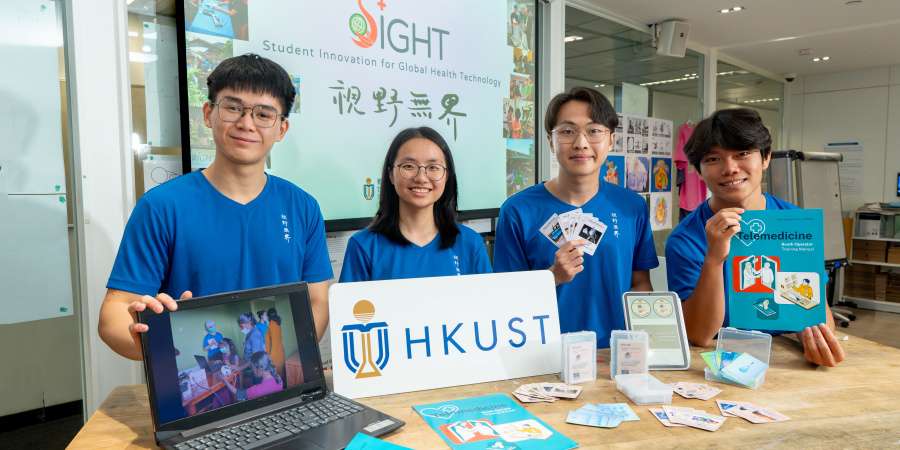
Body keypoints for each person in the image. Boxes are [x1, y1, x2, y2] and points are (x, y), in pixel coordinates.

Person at [98, 54, 333, 361]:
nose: (246, 124)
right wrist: (148, 342)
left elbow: (316, 303)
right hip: (200, 380)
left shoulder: (303, 207)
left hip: (278, 381)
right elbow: (113, 315)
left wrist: (282, 364)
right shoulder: (161, 206)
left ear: (281, 129)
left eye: (263, 114)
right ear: (208, 113)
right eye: (233, 108)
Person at [664, 107, 845, 367]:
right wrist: (714, 257)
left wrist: (817, 343)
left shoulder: (796, 223)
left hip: (784, 363)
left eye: (742, 154)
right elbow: (699, 334)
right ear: (699, 170)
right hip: (715, 365)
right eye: (713, 159)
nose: (730, 168)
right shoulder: (686, 239)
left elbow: (815, 317)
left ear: (765, 158)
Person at [493, 87, 658, 346]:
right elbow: (506, 298)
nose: (581, 143)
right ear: (551, 141)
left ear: (611, 140)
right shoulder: (517, 211)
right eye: (568, 131)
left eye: (594, 131)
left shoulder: (632, 206)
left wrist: (646, 343)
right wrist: (552, 277)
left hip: (617, 355)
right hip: (544, 355)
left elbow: (640, 285)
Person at [340, 127, 492, 282]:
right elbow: (351, 306)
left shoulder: (470, 243)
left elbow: (490, 304)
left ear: (446, 176)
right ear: (390, 175)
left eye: (433, 167)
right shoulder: (364, 246)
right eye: (408, 166)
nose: (421, 178)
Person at [217, 351, 283, 402]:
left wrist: (224, 379)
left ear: (260, 369)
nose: (252, 370)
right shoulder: (278, 378)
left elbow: (237, 393)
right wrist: (240, 368)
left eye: (253, 368)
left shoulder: (257, 390)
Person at [264, 307, 286, 378]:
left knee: (275, 378)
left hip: (275, 354)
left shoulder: (272, 325)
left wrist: (270, 358)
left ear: (268, 316)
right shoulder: (277, 324)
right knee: (280, 377)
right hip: (280, 352)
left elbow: (275, 343)